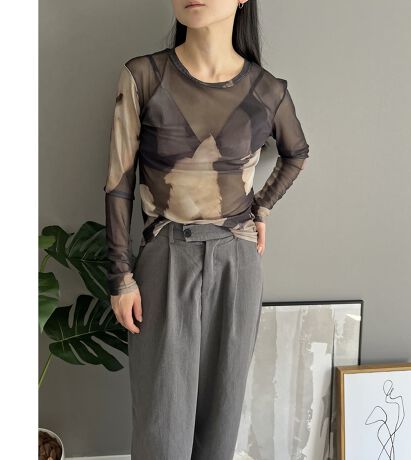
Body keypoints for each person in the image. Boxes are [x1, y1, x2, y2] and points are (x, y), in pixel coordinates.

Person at [103, 1, 310, 458]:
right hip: (165, 257)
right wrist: (120, 276)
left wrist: (263, 206)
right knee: (161, 428)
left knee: (221, 422)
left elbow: (296, 153)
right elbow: (119, 183)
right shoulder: (144, 77)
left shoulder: (268, 90)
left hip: (237, 261)